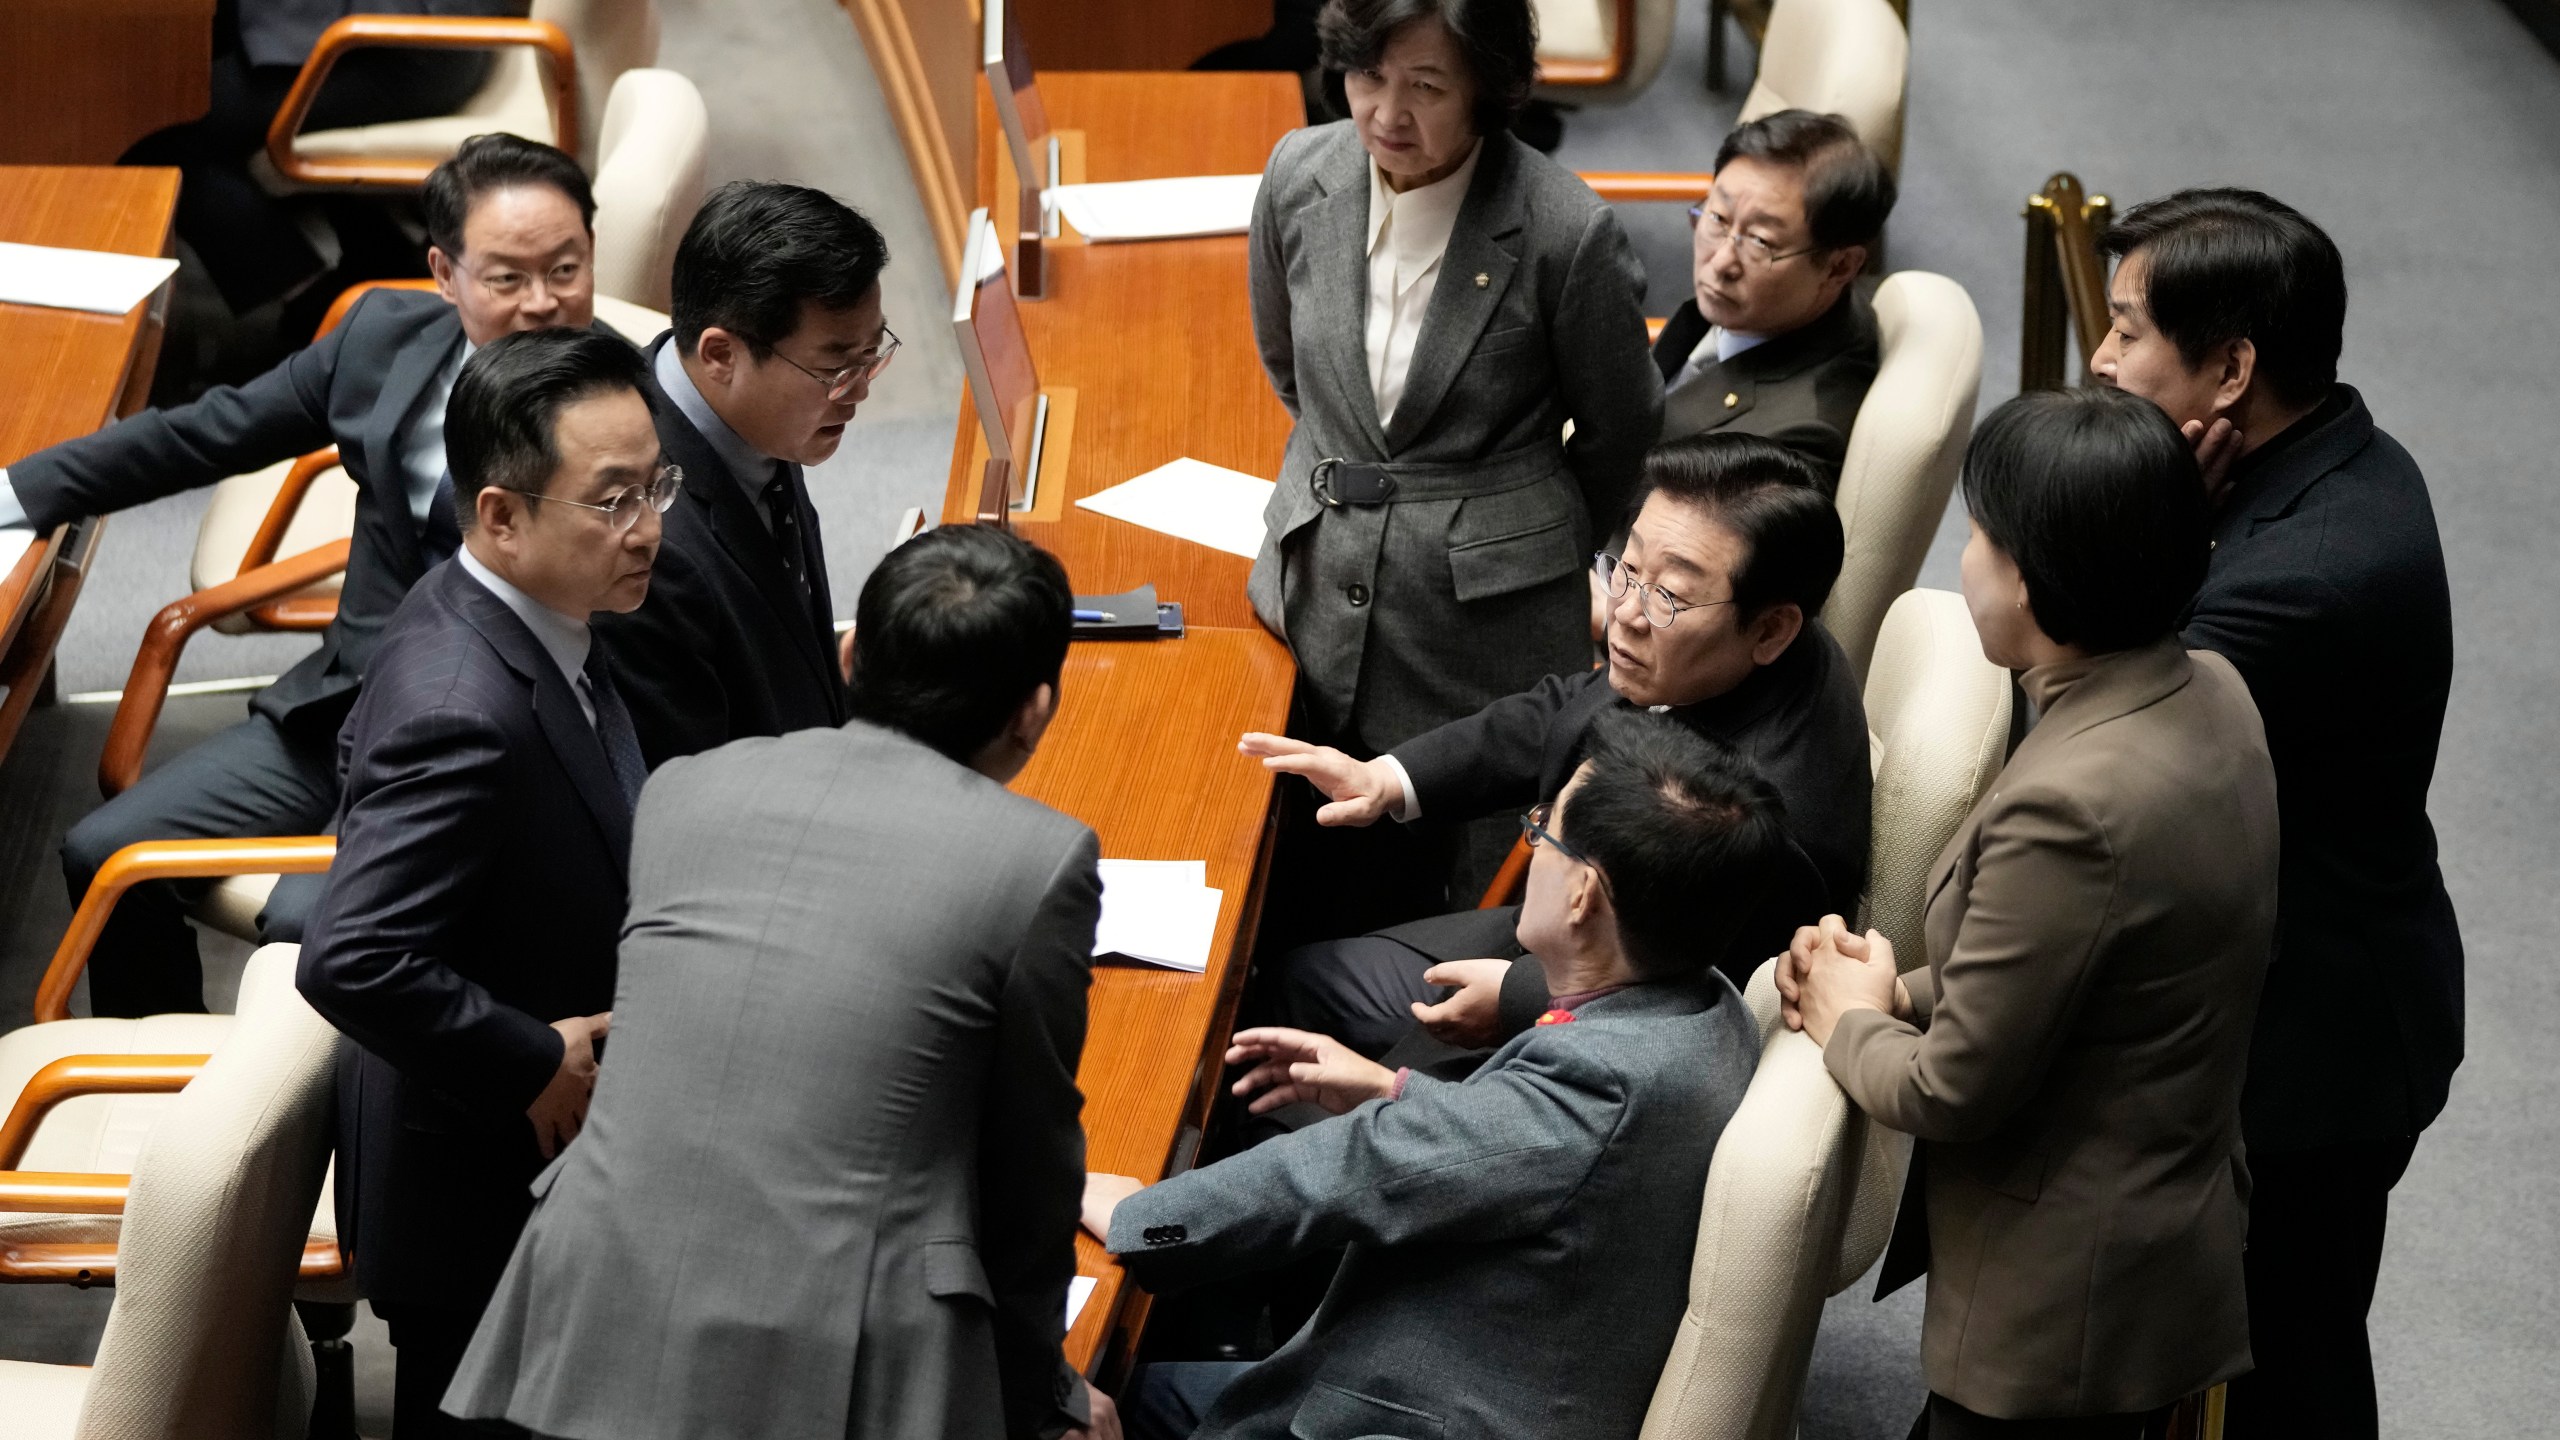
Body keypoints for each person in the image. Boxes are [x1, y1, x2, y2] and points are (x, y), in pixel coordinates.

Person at [446, 525, 1116, 1440]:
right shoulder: (1040, 861)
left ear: (851, 656)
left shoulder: (681, 790)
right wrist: (1042, 1395)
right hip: (836, 1355)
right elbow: (1029, 1182)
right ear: (1034, 711)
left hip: (597, 1299)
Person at [0, 132, 618, 1017]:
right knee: (104, 855)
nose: (543, 304)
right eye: (507, 278)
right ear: (444, 273)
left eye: (566, 270)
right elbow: (207, 432)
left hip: (496, 747)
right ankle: (168, 1076)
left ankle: (325, 1134)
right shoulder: (381, 342)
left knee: (313, 935)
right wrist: (15, 492)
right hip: (338, 712)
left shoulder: (630, 418)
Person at [1783, 387, 2278, 1437]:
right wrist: (1887, 983)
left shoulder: (2070, 804)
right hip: (2165, 1233)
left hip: (2065, 1306)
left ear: (2037, 576)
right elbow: (2087, 963)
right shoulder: (2215, 690)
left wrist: (1846, 1019)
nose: (1963, 561)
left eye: (1979, 537)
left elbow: (1951, 1091)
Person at [1085, 712, 1778, 1440]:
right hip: (1493, 1357)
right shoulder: (1712, 1008)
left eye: (1542, 832)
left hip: (1418, 1413)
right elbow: (1526, 1153)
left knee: (1065, 1399)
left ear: (1583, 896)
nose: (1531, 843)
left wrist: (1142, 1216)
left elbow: (1353, 1167)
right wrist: (1390, 1092)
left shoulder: (1597, 1089)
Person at [2089, 188, 2462, 1440]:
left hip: (2314, 1049)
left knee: (2283, 1369)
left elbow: (2087, 738)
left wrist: (2151, 536)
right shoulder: (2326, 451)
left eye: (2127, 331)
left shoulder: (2303, 573)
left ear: (2232, 370)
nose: (2098, 359)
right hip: (2309, 977)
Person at [296, 328, 669, 1440]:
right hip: (476, 1184)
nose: (650, 529)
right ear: (500, 516)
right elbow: (351, 954)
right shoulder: (465, 702)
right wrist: (530, 1054)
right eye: (612, 501)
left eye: (658, 487)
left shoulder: (523, 613)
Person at [1245, 0, 1662, 936]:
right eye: (1368, 77)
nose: (1387, 112)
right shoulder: (1296, 174)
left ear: (1488, 91)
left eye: (1426, 86)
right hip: (1313, 579)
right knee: (1291, 857)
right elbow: (1292, 371)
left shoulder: (1564, 230)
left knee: (1463, 888)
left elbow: (1621, 427)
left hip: (1486, 624)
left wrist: (1525, 539)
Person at [1246, 434, 1869, 1059]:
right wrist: (1389, 777)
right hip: (1570, 917)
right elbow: (1571, 705)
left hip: (1588, 1016)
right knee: (1297, 981)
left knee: (1296, 1027)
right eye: (1627, 568)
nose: (1623, 614)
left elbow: (1685, 1009)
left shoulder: (1757, 823)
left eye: (1670, 596)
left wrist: (1518, 997)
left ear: (1772, 628)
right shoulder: (1735, 652)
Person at [593, 180, 897, 766]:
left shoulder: (757, 419)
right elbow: (698, 793)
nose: (858, 392)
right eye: (836, 365)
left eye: (872, 354)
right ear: (720, 355)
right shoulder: (645, 541)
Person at [122, 0, 522, 317]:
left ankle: (318, 303)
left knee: (157, 125)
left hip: (407, 43)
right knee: (156, 89)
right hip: (370, 30)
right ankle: (374, 253)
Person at [1655, 109, 1895, 493]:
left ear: (1839, 267)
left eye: (1761, 242)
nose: (1720, 263)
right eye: (1717, 217)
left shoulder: (1793, 444)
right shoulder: (1771, 308)